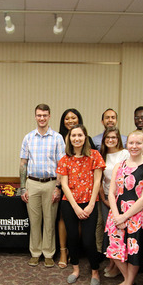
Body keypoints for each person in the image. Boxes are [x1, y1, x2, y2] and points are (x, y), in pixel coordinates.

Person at [105, 131, 143, 285]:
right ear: (127, 144)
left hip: (138, 215)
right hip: (117, 212)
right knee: (114, 249)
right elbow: (111, 192)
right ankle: (129, 279)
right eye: (131, 143)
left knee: (133, 252)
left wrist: (124, 216)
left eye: (138, 143)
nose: (134, 146)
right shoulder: (119, 166)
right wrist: (116, 215)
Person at [57, 124, 105, 285]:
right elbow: (64, 185)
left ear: (85, 137)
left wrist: (90, 205)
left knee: (88, 240)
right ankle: (75, 269)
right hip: (70, 204)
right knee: (72, 238)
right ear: (69, 139)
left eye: (80, 135)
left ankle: (95, 271)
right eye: (73, 136)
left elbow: (97, 181)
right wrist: (76, 207)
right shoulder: (65, 159)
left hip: (89, 203)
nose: (76, 138)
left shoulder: (95, 155)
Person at [20, 104, 65, 268]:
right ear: (35, 116)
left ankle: (48, 253)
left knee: (49, 221)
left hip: (51, 183)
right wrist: (23, 187)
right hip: (32, 183)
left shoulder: (57, 138)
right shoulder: (28, 138)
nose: (42, 118)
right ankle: (35, 253)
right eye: (39, 115)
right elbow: (23, 163)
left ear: (49, 116)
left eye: (45, 115)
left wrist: (58, 187)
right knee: (34, 221)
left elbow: (61, 165)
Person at [57, 108, 87, 268]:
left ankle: (74, 249)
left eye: (73, 118)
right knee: (63, 217)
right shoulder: (57, 138)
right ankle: (63, 251)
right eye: (67, 118)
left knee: (79, 218)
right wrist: (58, 185)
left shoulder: (84, 137)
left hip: (82, 186)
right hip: (62, 183)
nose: (70, 121)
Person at [98, 127, 129, 277]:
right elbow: (99, 180)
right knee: (109, 232)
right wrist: (104, 199)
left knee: (119, 233)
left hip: (121, 198)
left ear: (118, 139)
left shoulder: (125, 154)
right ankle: (112, 263)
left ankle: (117, 266)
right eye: (108, 137)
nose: (110, 140)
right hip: (106, 198)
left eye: (114, 137)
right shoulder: (102, 155)